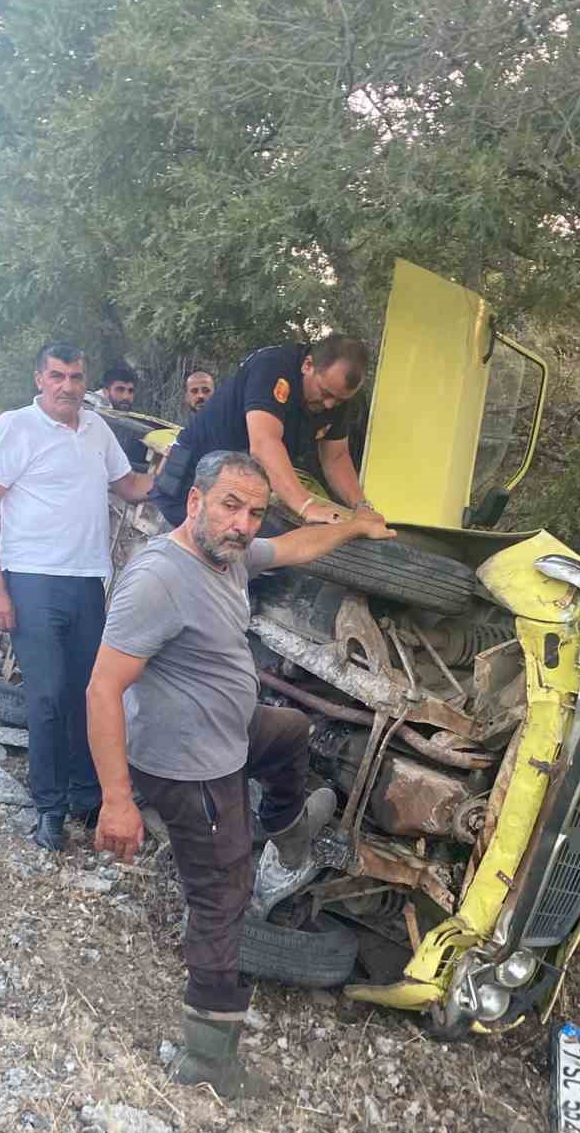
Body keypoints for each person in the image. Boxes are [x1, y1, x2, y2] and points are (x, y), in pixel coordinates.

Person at [87, 448, 395, 1097]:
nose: (244, 523)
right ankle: (207, 1058)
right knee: (223, 896)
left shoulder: (229, 555)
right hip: (190, 767)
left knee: (290, 731)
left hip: (231, 732)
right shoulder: (159, 580)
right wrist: (117, 801)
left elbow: (297, 548)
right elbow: (102, 689)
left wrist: (356, 525)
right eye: (230, 505)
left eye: (255, 511)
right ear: (194, 501)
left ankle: (284, 828)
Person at [0, 342, 156, 851]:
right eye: (57, 376)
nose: (67, 387)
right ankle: (49, 810)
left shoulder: (97, 429)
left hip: (87, 581)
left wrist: (175, 473)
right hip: (31, 580)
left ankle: (85, 795)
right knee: (48, 695)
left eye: (75, 377)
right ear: (39, 379)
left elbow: (130, 485)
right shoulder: (17, 426)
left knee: (88, 694)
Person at [151, 334, 374, 528]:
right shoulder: (273, 367)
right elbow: (264, 444)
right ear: (308, 365)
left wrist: (361, 507)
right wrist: (306, 505)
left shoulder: (336, 397)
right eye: (325, 393)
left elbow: (336, 457)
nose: (329, 405)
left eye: (339, 399)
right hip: (187, 485)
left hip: (234, 495)